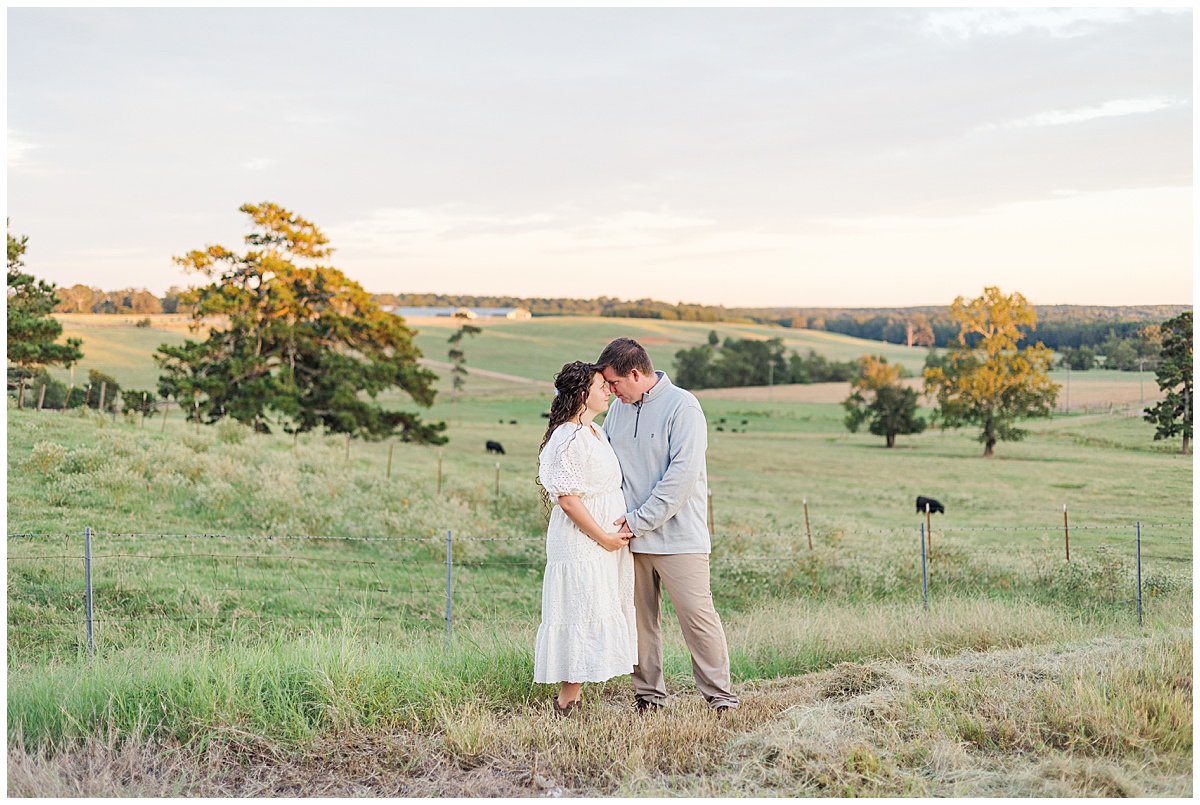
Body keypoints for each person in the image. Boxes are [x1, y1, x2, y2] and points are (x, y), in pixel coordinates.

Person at [596, 337, 739, 714]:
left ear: (636, 374)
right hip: (630, 539)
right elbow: (609, 467)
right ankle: (648, 697)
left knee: (697, 618)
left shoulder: (684, 408)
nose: (610, 392)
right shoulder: (618, 411)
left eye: (615, 383)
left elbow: (680, 481)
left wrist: (637, 521)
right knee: (640, 623)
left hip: (679, 539)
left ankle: (721, 699)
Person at [534, 361, 638, 715]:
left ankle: (573, 700)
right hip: (582, 540)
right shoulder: (568, 436)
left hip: (602, 539)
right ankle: (565, 702)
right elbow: (567, 500)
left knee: (593, 608)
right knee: (581, 611)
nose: (608, 390)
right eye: (600, 386)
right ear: (582, 395)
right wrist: (604, 538)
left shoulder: (593, 431)